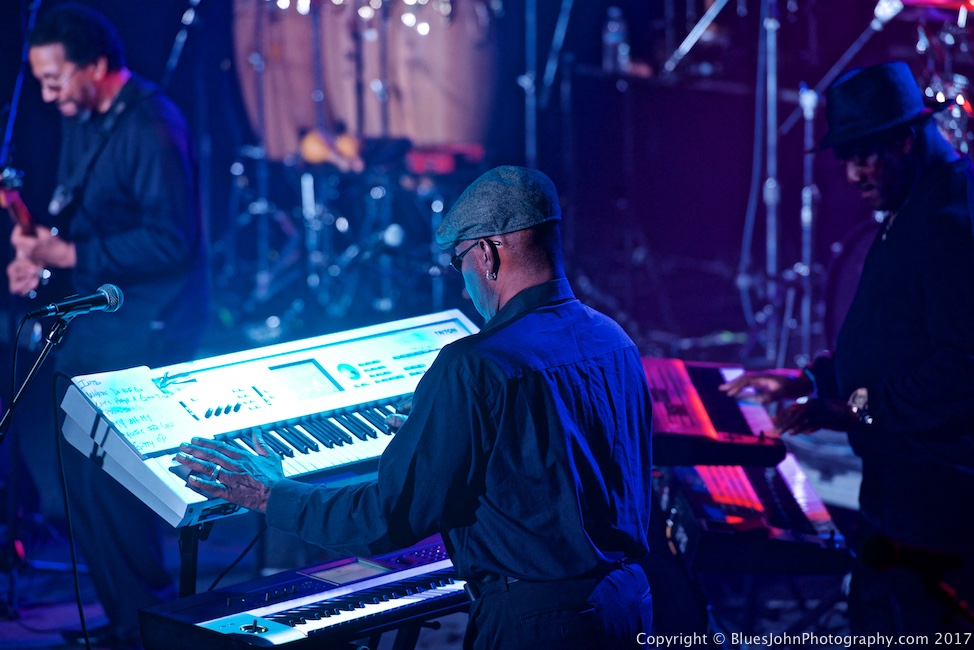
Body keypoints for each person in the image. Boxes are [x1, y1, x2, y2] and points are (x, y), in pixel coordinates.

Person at [177, 165, 654, 648]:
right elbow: (557, 469)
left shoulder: (475, 364)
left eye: (459, 262)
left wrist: (269, 494)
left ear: (487, 254)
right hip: (629, 603)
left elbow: (388, 515)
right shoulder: (614, 341)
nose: (463, 281)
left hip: (539, 623)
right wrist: (454, 440)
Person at [722, 61, 974, 634]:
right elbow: (898, 339)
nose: (853, 173)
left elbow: (961, 367)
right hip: (901, 485)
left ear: (905, 141)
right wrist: (812, 381)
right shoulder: (921, 203)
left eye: (863, 155)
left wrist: (851, 409)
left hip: (934, 498)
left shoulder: (951, 222)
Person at [7, 4, 210, 648]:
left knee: (111, 480)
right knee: (82, 482)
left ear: (95, 67)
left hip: (149, 326)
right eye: (39, 82)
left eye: (55, 80)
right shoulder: (87, 117)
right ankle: (131, 617)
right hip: (104, 314)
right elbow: (78, 211)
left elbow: (171, 241)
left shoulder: (151, 126)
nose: (47, 95)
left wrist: (69, 257)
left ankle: (148, 620)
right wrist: (33, 254)